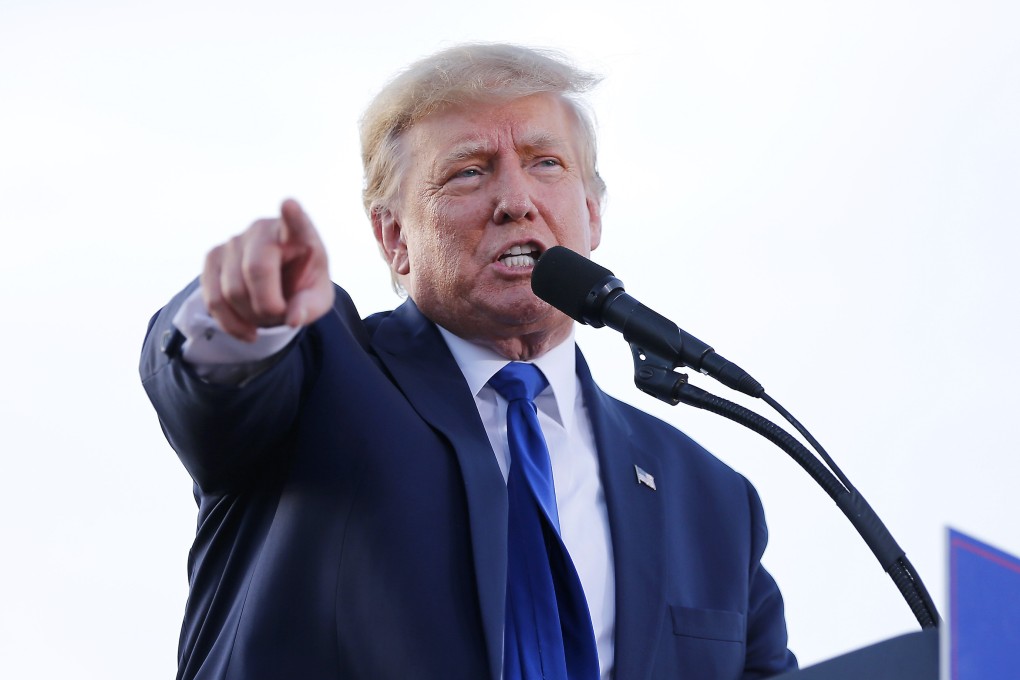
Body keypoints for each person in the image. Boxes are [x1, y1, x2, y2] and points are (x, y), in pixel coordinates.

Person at [140, 43, 798, 680]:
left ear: (592, 214)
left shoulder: (714, 502)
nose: (516, 201)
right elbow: (215, 393)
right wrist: (242, 320)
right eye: (469, 171)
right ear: (394, 237)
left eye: (546, 164)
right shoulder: (319, 372)